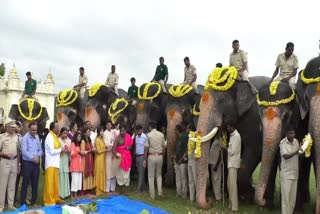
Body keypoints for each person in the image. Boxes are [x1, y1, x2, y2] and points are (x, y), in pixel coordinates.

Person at [21, 121, 43, 207]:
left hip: (36, 164)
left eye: (36, 130)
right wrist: (32, 158)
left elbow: (40, 149)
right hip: (27, 163)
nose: (34, 132)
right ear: (29, 129)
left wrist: (38, 156)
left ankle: (33, 201)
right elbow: (24, 151)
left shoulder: (37, 138)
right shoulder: (25, 138)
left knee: (35, 182)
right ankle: (23, 202)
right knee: (25, 183)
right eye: (33, 130)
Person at [220, 123, 241, 212]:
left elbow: (232, 151)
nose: (227, 128)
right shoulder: (232, 136)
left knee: (232, 185)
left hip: (233, 164)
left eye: (229, 126)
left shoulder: (236, 136)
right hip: (230, 163)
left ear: (233, 126)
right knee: (229, 184)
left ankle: (234, 207)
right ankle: (230, 203)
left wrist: (224, 147)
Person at [0, 120, 20, 212]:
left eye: (14, 127)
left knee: (12, 185)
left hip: (14, 162)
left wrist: (18, 164)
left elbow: (18, 151)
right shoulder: (2, 137)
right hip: (5, 162)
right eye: (12, 127)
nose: (13, 129)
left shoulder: (17, 137)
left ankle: (10, 205)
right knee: (3, 184)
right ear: (7, 127)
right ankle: (1, 205)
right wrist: (4, 154)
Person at [43, 122, 65, 206]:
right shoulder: (49, 137)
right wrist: (61, 150)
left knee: (55, 183)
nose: (58, 129)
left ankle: (55, 198)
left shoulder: (54, 136)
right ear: (53, 128)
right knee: (50, 183)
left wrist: (62, 149)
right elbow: (52, 151)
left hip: (55, 163)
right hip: (50, 163)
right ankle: (49, 201)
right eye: (57, 127)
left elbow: (57, 148)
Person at [280, 126, 299, 214]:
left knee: (292, 199)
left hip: (295, 173)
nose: (293, 135)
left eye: (293, 133)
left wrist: (303, 148)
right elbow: (285, 156)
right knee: (286, 198)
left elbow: (299, 155)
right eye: (290, 133)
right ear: (286, 134)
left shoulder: (296, 142)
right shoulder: (282, 143)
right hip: (286, 174)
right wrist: (296, 152)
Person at [143, 122, 166, 199]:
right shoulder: (161, 135)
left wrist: (144, 159)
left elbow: (146, 148)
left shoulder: (148, 135)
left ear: (150, 127)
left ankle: (152, 195)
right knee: (159, 175)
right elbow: (164, 146)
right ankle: (160, 192)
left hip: (151, 156)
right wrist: (163, 155)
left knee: (151, 176)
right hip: (160, 156)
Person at [113, 125, 133, 194]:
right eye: (121, 131)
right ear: (120, 131)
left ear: (125, 131)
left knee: (126, 173)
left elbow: (131, 145)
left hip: (127, 158)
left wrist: (129, 147)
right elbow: (113, 149)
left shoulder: (128, 136)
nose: (122, 132)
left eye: (123, 131)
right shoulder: (117, 138)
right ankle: (120, 189)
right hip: (120, 158)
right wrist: (116, 155)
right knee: (120, 174)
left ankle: (126, 189)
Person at [174, 122, 189, 199]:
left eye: (175, 130)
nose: (174, 132)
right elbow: (177, 149)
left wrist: (182, 158)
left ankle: (184, 194)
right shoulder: (177, 139)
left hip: (183, 161)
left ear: (178, 130)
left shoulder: (184, 137)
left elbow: (187, 149)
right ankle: (178, 193)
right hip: (177, 161)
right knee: (178, 178)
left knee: (183, 178)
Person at [81, 127, 95, 195]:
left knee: (90, 173)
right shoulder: (83, 141)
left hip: (90, 158)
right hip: (85, 159)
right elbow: (82, 151)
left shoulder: (89, 140)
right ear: (84, 133)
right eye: (88, 131)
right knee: (85, 173)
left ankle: (89, 189)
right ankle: (84, 191)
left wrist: (94, 149)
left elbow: (92, 147)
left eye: (89, 131)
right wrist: (90, 151)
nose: (89, 133)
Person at [103, 120, 117, 193]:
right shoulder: (104, 133)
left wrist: (113, 147)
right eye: (107, 125)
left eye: (110, 125)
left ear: (111, 125)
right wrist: (111, 146)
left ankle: (113, 188)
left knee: (113, 170)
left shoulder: (113, 132)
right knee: (108, 170)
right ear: (106, 126)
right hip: (108, 154)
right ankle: (107, 189)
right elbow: (105, 144)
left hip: (113, 153)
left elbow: (116, 141)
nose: (109, 126)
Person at [208, 134, 222, 201]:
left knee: (217, 179)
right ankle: (215, 195)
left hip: (216, 163)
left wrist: (217, 164)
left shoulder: (220, 140)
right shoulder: (215, 140)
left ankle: (218, 197)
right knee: (214, 180)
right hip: (212, 162)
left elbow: (220, 153)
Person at [58, 127, 71, 199]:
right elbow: (57, 149)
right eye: (64, 133)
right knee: (60, 174)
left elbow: (70, 150)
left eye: (66, 133)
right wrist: (62, 150)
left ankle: (66, 193)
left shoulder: (69, 140)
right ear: (61, 133)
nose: (65, 135)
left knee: (66, 173)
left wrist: (68, 151)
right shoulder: (58, 140)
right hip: (60, 158)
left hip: (66, 158)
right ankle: (60, 193)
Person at [70, 132, 83, 200]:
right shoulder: (73, 144)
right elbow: (71, 154)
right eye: (79, 137)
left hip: (79, 164)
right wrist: (77, 151)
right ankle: (72, 195)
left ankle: (76, 194)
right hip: (74, 164)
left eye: (80, 137)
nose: (80, 138)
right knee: (74, 180)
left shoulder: (78, 144)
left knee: (78, 180)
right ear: (75, 137)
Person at [134, 124, 147, 193]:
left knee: (141, 174)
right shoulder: (136, 137)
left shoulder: (145, 137)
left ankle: (138, 190)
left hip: (142, 156)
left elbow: (146, 149)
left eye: (140, 131)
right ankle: (143, 189)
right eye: (137, 131)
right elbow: (136, 146)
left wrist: (145, 159)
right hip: (137, 156)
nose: (139, 132)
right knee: (140, 173)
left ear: (142, 130)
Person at [94, 126, 107, 195]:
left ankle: (102, 189)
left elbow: (104, 147)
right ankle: (98, 190)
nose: (103, 132)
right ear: (99, 132)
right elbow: (98, 151)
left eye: (103, 131)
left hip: (103, 158)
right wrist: (106, 150)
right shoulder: (97, 140)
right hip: (99, 159)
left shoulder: (102, 139)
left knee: (102, 172)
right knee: (99, 173)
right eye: (102, 131)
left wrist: (106, 147)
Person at [187, 123, 197, 202]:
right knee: (190, 181)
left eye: (188, 128)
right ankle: (191, 198)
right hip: (189, 160)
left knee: (195, 179)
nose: (187, 130)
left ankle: (198, 198)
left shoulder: (196, 137)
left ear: (191, 129)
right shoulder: (189, 137)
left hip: (194, 161)